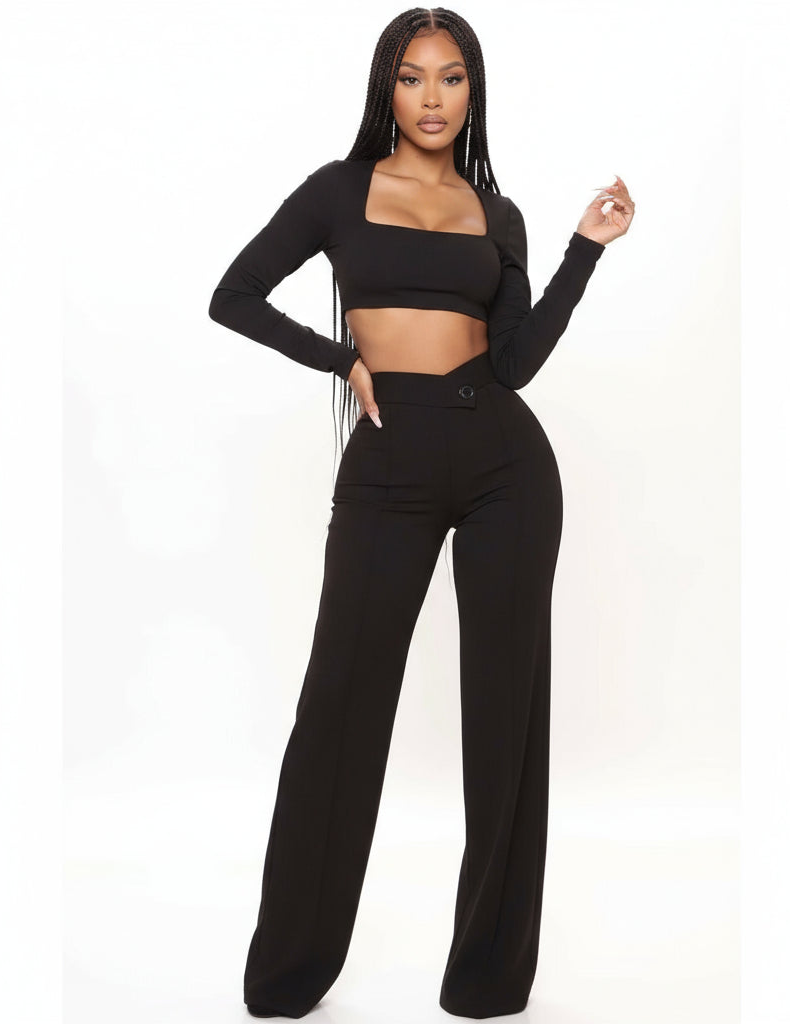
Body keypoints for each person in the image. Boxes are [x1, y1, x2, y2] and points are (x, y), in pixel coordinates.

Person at [208, 8, 634, 1020]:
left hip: (503, 465)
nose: (432, 98)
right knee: (339, 706)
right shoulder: (338, 191)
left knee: (505, 716)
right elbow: (234, 294)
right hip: (388, 461)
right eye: (412, 77)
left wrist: (584, 250)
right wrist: (341, 360)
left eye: (450, 77)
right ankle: (288, 973)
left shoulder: (499, 214)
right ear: (385, 89)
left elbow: (515, 362)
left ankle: (488, 978)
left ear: (473, 90)